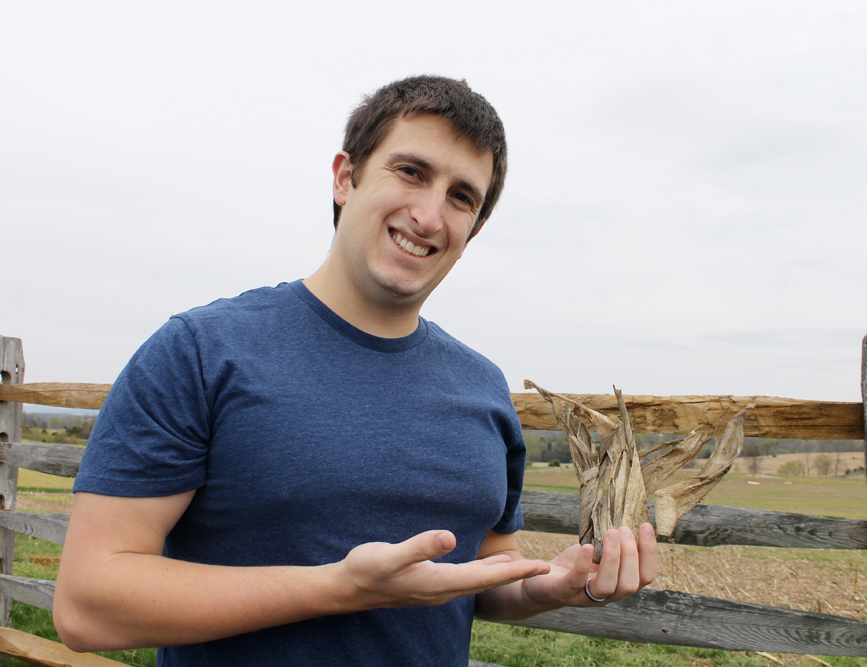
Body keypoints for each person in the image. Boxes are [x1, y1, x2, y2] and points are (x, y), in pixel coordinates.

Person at [53, 75, 658, 667]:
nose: (428, 214)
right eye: (412, 172)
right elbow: (88, 606)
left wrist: (544, 588)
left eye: (461, 197)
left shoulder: (482, 386)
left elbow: (482, 575)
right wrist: (339, 588)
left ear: (472, 231)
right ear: (346, 177)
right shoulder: (202, 351)